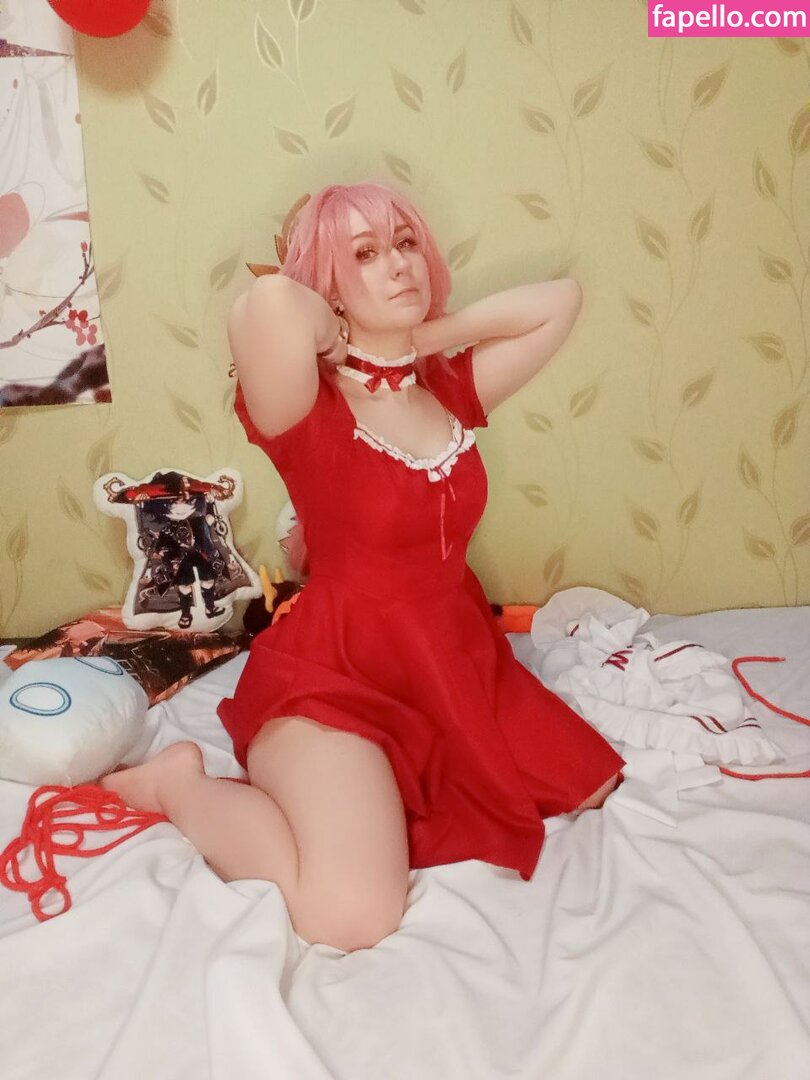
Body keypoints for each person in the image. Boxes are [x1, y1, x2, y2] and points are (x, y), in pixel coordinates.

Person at [101, 181, 624, 953]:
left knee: (593, 783)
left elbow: (560, 301)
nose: (399, 264)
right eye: (365, 254)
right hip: (336, 680)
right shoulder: (305, 407)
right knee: (348, 917)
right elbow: (269, 303)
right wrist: (335, 329)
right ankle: (178, 785)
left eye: (406, 243)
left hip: (454, 665)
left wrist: (430, 335)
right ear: (329, 287)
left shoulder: (447, 389)